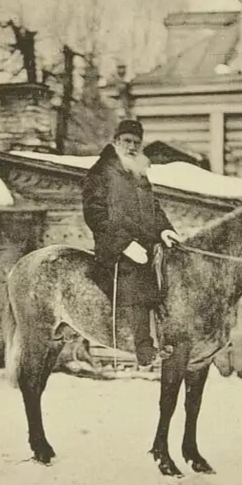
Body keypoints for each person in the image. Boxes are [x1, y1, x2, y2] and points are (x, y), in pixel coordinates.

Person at [81, 118, 182, 367]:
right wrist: (124, 244)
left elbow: (153, 207)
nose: (132, 146)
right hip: (114, 249)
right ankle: (144, 349)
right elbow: (95, 215)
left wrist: (165, 230)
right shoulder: (100, 172)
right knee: (138, 282)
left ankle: (171, 337)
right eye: (126, 141)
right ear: (116, 142)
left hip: (146, 246)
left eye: (136, 142)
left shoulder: (138, 172)